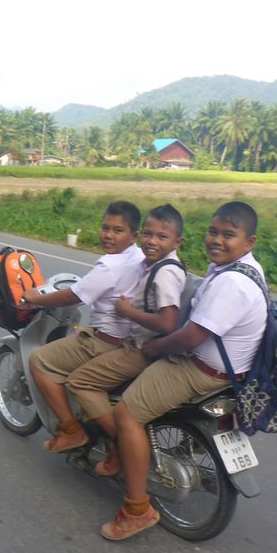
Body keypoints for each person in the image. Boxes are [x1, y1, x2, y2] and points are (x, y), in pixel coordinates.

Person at [101, 201, 267, 541]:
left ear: (249, 242)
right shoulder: (247, 270)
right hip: (233, 371)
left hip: (201, 371)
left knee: (126, 414)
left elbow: (191, 337)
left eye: (228, 235)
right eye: (213, 232)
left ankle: (136, 510)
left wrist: (155, 347)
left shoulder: (231, 283)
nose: (217, 240)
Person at [66, 204, 186, 476]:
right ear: (139, 235)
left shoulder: (164, 272)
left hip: (143, 350)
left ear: (177, 242)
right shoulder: (155, 265)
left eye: (162, 237)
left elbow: (168, 322)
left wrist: (127, 312)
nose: (152, 241)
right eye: (148, 234)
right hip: (142, 344)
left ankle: (120, 447)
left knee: (80, 381)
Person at [21, 201, 144, 453]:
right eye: (105, 228)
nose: (108, 235)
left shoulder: (110, 265)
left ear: (134, 235)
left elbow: (72, 296)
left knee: (39, 361)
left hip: (103, 343)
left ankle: (71, 431)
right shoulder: (140, 257)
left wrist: (36, 298)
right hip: (130, 340)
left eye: (117, 230)